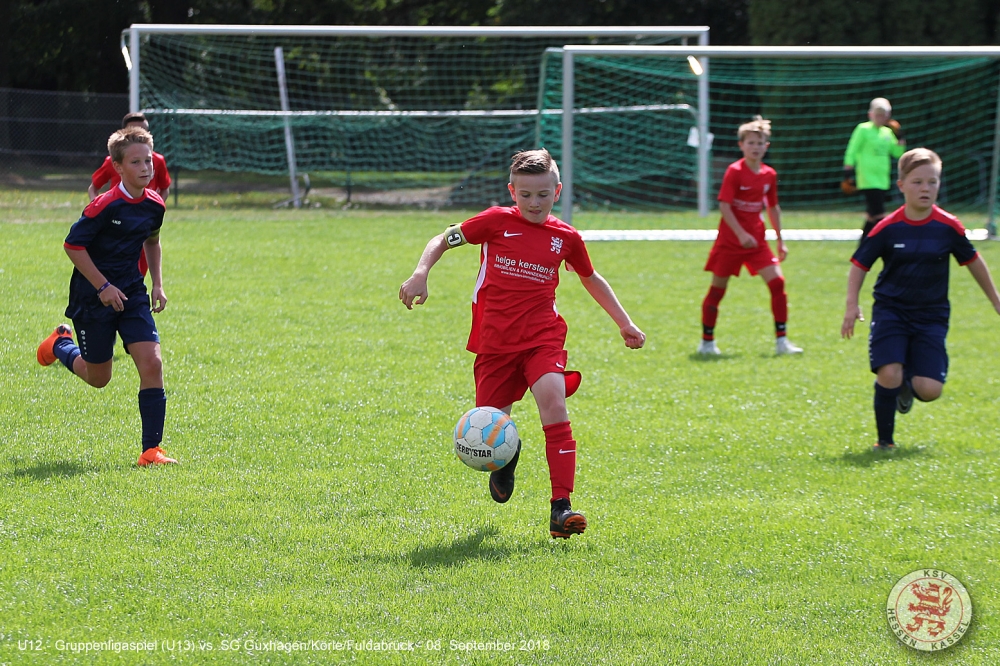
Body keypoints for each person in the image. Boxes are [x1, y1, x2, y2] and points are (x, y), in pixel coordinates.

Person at [399, 149, 645, 539]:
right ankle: (506, 458)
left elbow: (591, 277)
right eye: (526, 194)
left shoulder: (565, 237)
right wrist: (420, 273)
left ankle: (561, 508)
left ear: (557, 192)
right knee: (493, 427)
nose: (534, 202)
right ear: (512, 192)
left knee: (554, 402)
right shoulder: (495, 221)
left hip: (542, 338)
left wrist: (625, 323)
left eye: (543, 194)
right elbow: (442, 239)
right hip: (494, 344)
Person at [841, 148, 1000, 450]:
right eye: (917, 182)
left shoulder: (948, 226)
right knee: (889, 371)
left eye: (932, 182)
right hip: (891, 311)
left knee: (929, 390)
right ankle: (884, 443)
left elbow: (974, 261)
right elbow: (859, 265)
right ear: (901, 185)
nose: (925, 188)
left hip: (931, 315)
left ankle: (906, 384)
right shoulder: (888, 227)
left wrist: (995, 299)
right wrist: (852, 304)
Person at [37, 126, 176, 466]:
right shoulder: (104, 205)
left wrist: (157, 284)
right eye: (136, 162)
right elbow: (73, 246)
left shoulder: (155, 205)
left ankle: (151, 451)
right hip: (92, 296)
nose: (145, 168)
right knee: (99, 378)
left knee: (153, 363)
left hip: (131, 292)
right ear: (118, 167)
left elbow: (153, 241)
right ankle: (60, 344)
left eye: (148, 161)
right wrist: (102, 286)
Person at [698, 116, 803, 356]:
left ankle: (782, 342)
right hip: (730, 242)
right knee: (717, 290)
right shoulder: (734, 172)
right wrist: (740, 233)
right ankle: (707, 343)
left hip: (757, 242)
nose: (755, 147)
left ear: (767, 146)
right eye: (751, 142)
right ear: (741, 145)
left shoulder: (769, 174)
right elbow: (724, 206)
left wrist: (780, 240)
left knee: (777, 283)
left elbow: (773, 207)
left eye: (760, 143)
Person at [90, 112, 172, 277]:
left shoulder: (157, 160)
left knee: (139, 270)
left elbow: (165, 188)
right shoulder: (112, 162)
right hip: (117, 219)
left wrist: (152, 210)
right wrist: (99, 210)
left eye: (142, 131)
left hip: (141, 220)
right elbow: (94, 188)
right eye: (133, 131)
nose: (144, 167)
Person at [843, 98, 906, 241]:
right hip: (867, 178)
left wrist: (900, 138)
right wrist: (848, 168)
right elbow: (853, 149)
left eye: (883, 115)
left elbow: (897, 153)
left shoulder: (887, 132)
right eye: (877, 114)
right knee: (879, 214)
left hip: (882, 178)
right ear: (871, 114)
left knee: (872, 215)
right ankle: (885, 243)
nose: (880, 118)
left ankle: (864, 246)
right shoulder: (863, 129)